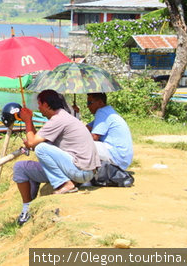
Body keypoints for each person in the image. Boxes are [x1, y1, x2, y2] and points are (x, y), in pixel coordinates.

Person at [12, 89, 100, 225]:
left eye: (39, 104)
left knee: (41, 148)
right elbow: (35, 141)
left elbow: (33, 143)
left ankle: (65, 184)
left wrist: (28, 120)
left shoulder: (59, 119)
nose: (39, 108)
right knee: (20, 167)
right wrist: (30, 130)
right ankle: (27, 208)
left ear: (46, 104)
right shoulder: (61, 117)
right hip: (77, 169)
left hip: (82, 172)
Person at [79, 93, 133, 170]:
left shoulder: (102, 112)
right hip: (123, 157)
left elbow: (94, 137)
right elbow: (85, 129)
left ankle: (81, 173)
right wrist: (76, 113)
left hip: (117, 155)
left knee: (81, 144)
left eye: (89, 103)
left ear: (100, 102)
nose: (88, 106)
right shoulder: (107, 111)